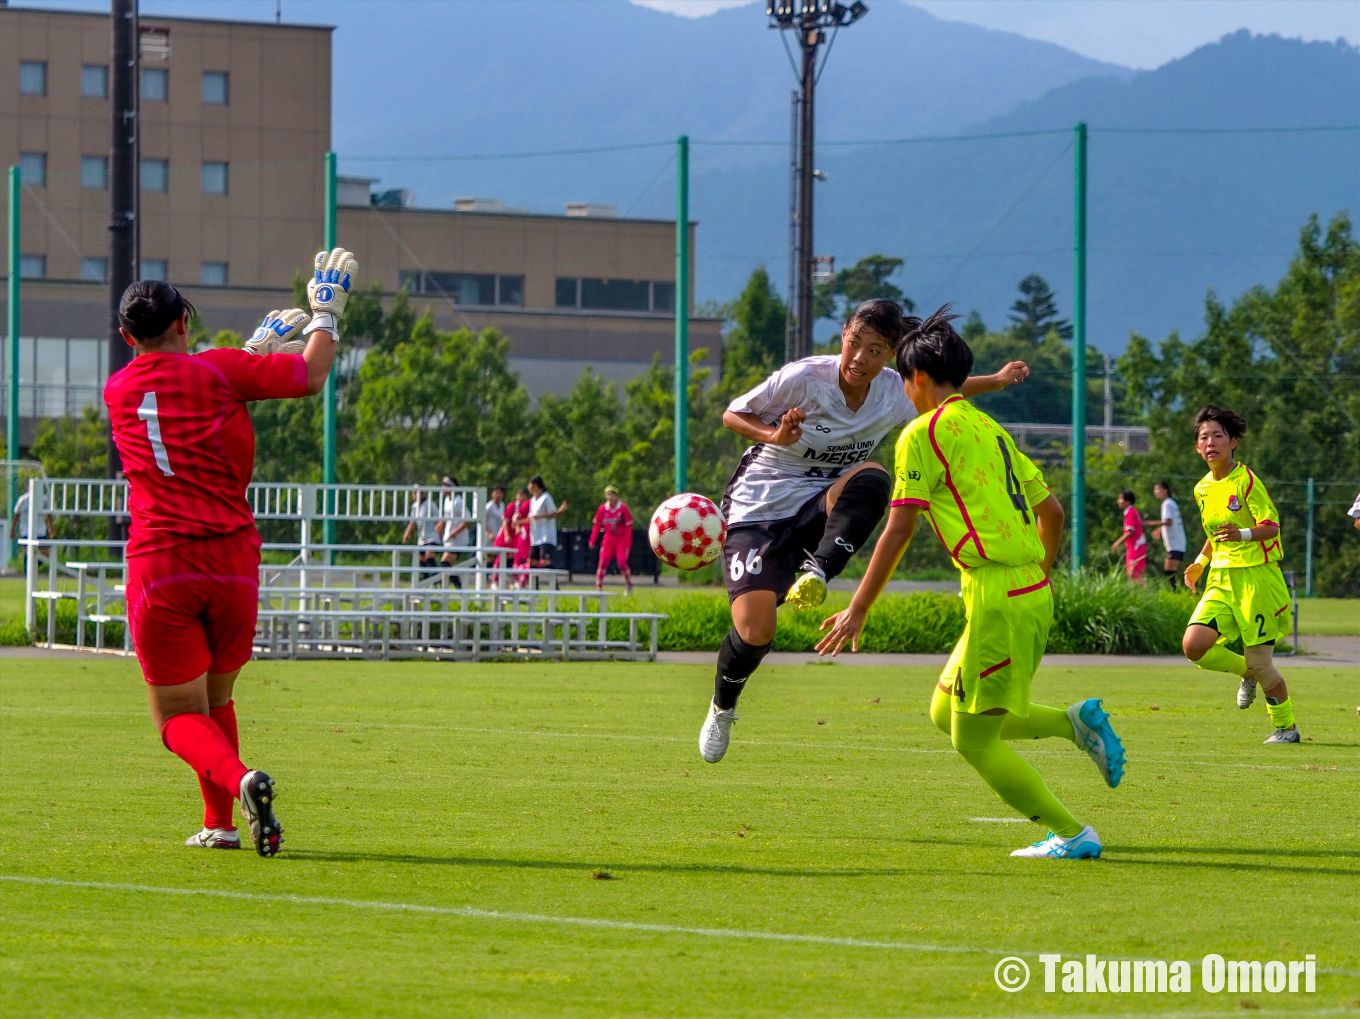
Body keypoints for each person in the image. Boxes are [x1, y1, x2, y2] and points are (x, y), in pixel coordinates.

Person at [816, 307, 1124, 860]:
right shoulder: (992, 429)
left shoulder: (921, 434)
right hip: (1028, 590)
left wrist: (858, 606)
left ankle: (1072, 834)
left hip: (996, 596)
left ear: (917, 380)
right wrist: (1038, 575)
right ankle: (1075, 724)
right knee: (944, 711)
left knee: (972, 738)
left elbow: (899, 526)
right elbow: (1051, 511)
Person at [698, 297, 1031, 765]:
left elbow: (939, 389)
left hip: (822, 505)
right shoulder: (805, 378)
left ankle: (819, 571)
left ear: (892, 355)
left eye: (875, 351)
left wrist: (995, 381)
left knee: (873, 475)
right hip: (759, 510)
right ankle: (722, 706)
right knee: (755, 630)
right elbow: (733, 414)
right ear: (843, 337)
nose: (860, 359)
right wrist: (775, 436)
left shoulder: (894, 392)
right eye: (855, 344)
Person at [102, 247, 354, 856]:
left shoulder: (116, 390)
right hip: (233, 563)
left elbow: (180, 388)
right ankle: (220, 824)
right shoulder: (219, 371)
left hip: (161, 566)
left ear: (124, 336)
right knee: (218, 698)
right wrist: (326, 314)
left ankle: (241, 782)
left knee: (177, 719)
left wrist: (252, 351)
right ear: (184, 321)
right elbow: (311, 375)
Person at [1181, 405, 1301, 744]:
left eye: (1218, 436)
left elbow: (1271, 527)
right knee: (1194, 646)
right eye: (1203, 437)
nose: (1210, 443)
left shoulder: (1246, 480)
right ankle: (1246, 672)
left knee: (1263, 662)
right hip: (1221, 579)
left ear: (1233, 442)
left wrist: (1242, 535)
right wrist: (1200, 563)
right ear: (1196, 446)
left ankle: (1287, 728)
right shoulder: (1202, 488)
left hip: (1256, 580)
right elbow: (1214, 533)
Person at [590, 485, 634, 594]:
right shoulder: (602, 509)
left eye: (613, 493)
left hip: (621, 539)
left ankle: (628, 584)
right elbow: (597, 526)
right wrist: (592, 540)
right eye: (608, 493)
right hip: (608, 539)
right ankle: (599, 587)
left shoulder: (623, 508)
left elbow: (628, 527)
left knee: (621, 562)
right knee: (603, 561)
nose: (610, 496)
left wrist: (628, 544)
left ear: (617, 495)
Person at [1147, 480, 1187, 587]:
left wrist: (1151, 523)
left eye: (1158, 489)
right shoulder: (1169, 503)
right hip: (1176, 543)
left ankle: (1176, 590)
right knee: (1169, 570)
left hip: (1175, 543)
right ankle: (1176, 590)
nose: (1156, 492)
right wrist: (1159, 530)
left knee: (1169, 571)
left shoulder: (1167, 504)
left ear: (1166, 490)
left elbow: (1169, 521)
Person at [527, 475, 567, 572]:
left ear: (535, 485)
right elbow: (531, 517)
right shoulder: (533, 500)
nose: (528, 487)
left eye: (529, 484)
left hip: (546, 536)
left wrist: (540, 516)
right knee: (532, 561)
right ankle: (534, 587)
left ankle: (554, 586)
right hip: (535, 536)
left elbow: (553, 513)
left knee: (545, 561)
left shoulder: (546, 497)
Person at [402, 485, 442, 580]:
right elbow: (413, 521)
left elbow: (440, 518)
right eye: (414, 493)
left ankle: (438, 580)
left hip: (432, 536)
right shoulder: (415, 506)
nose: (415, 495)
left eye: (417, 493)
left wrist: (441, 533)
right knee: (421, 559)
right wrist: (407, 533)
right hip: (422, 538)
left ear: (423, 494)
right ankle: (426, 581)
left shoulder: (430, 504)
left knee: (429, 556)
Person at [438, 475, 471, 588]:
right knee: (448, 566)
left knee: (445, 563)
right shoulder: (447, 500)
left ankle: (459, 588)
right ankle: (457, 589)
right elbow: (446, 516)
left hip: (458, 539)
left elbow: (467, 519)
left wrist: (456, 532)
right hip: (449, 538)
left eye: (444, 485)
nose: (442, 488)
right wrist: (440, 525)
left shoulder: (458, 502)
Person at [10, 486, 55, 567]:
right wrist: (12, 529)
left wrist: (51, 528)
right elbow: (17, 514)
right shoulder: (23, 500)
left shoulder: (43, 499)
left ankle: (33, 566)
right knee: (29, 551)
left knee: (45, 552)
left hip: (40, 530)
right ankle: (27, 572)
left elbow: (48, 514)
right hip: (27, 529)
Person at [1111, 490, 1147, 582]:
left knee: (1134, 572)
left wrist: (1117, 543)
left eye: (1121, 498)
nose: (1119, 501)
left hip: (1136, 546)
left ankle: (1144, 590)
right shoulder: (1131, 511)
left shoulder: (1130, 512)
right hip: (1133, 546)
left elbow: (1130, 531)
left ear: (1128, 501)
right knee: (1131, 573)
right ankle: (1136, 593)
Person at [511, 487, 532, 588]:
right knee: (527, 560)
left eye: (522, 495)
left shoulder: (530, 503)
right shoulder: (526, 504)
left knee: (529, 560)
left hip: (529, 535)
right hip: (525, 535)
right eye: (519, 495)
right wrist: (518, 525)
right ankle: (520, 582)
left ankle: (521, 581)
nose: (520, 497)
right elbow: (516, 517)